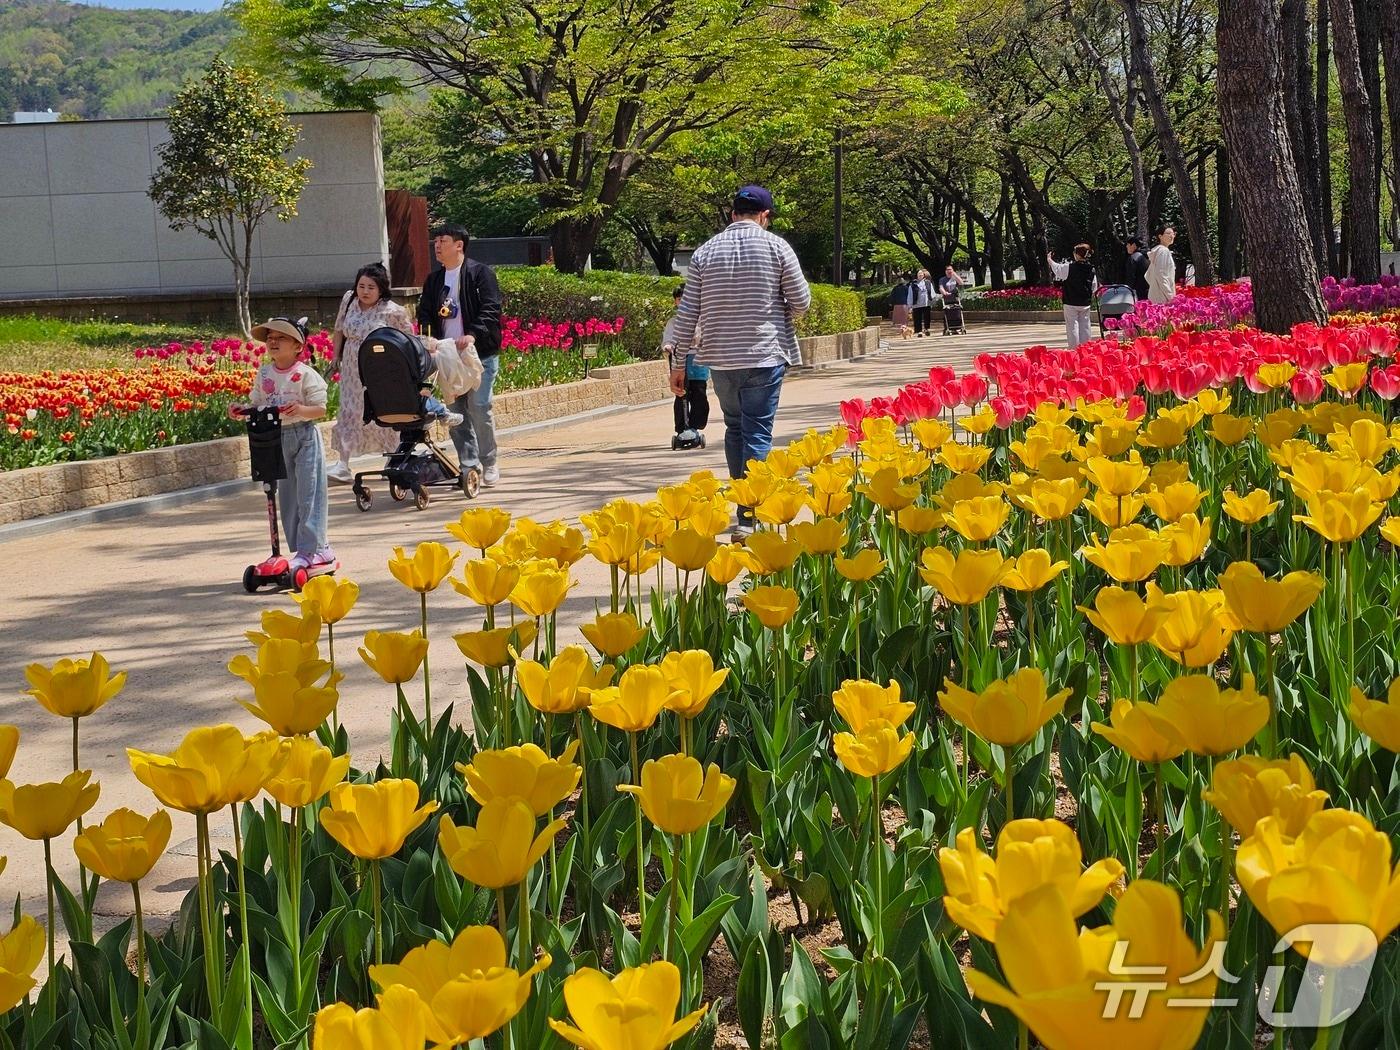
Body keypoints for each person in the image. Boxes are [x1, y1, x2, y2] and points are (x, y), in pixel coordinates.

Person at [663, 184, 811, 540]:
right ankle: (749, 515)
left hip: (721, 358)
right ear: (765, 216)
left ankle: (743, 506)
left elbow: (687, 316)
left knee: (734, 428)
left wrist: (679, 363)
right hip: (764, 353)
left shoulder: (704, 252)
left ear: (732, 215)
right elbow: (802, 300)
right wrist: (785, 310)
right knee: (758, 430)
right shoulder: (777, 247)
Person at [328, 263, 460, 483]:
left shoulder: (392, 311)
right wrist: (335, 356)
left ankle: (393, 458)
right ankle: (343, 463)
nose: (365, 291)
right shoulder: (349, 300)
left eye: (371, 287)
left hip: (379, 367)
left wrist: (430, 347)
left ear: (381, 289)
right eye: (362, 286)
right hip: (352, 368)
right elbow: (339, 329)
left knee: (383, 409)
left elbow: (408, 340)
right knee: (349, 412)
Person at [233, 317, 334, 573]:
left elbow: (321, 409)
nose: (273, 342)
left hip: (304, 436)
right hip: (277, 437)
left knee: (309, 493)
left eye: (281, 338)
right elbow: (257, 402)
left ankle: (313, 549)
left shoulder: (305, 374)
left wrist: (301, 409)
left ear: (298, 346)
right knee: (288, 496)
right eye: (270, 338)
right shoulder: (265, 373)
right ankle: (304, 547)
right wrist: (241, 410)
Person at [416, 223, 504, 487]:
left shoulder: (480, 273)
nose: (437, 246)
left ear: (459, 245)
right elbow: (425, 313)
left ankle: (489, 461)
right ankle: (469, 466)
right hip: (447, 356)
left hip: (478, 353)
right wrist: (427, 338)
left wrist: (473, 334)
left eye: (443, 240)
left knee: (479, 407)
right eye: (436, 241)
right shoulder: (434, 280)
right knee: (455, 412)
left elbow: (491, 308)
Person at [663, 283, 709, 440]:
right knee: (681, 395)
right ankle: (682, 428)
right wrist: (668, 347)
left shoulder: (702, 321)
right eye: (679, 299)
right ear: (676, 302)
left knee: (699, 393)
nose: (682, 302)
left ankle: (696, 425)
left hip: (698, 360)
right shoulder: (673, 322)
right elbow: (667, 340)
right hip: (678, 361)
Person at [1047, 244, 1098, 350]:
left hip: (1070, 301)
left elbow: (1057, 269)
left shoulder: (1069, 267)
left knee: (1072, 326)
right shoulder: (1091, 269)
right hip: (1085, 302)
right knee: (1085, 325)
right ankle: (1086, 349)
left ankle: (1074, 350)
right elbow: (1094, 286)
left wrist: (1049, 259)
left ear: (1077, 255)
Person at [1145, 225, 1177, 304]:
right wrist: (1170, 295)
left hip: (1157, 294)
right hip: (1162, 297)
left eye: (1173, 233)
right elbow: (1161, 274)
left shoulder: (1158, 251)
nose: (1171, 236)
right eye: (1168, 233)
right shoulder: (1163, 251)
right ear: (1160, 236)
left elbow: (1148, 275)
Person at [910, 269, 935, 336]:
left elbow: (931, 291)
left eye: (921, 273)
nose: (920, 275)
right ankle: (919, 331)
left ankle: (926, 329)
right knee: (917, 317)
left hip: (926, 302)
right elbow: (910, 294)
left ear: (924, 275)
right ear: (916, 275)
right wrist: (910, 304)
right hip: (917, 303)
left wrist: (932, 300)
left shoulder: (928, 282)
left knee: (927, 316)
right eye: (919, 273)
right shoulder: (913, 284)